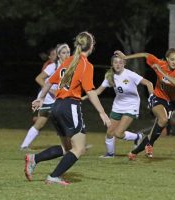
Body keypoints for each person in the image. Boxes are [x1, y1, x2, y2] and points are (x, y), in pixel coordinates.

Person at [25, 31, 111, 185]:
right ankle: (54, 176)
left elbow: (49, 81)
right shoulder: (86, 65)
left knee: (67, 148)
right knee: (79, 149)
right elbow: (90, 91)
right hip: (69, 106)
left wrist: (40, 98)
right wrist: (102, 113)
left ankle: (34, 159)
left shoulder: (69, 61)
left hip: (56, 106)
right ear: (91, 46)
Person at [114, 48, 175, 161]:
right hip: (158, 97)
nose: (174, 62)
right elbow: (145, 54)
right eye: (172, 59)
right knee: (163, 119)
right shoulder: (160, 63)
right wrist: (126, 57)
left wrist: (161, 72)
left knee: (156, 131)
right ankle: (148, 145)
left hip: (171, 102)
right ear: (167, 59)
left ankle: (134, 152)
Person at [82, 55, 154, 158]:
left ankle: (138, 137)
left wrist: (151, 98)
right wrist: (83, 98)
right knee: (110, 133)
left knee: (118, 133)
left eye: (120, 62)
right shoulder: (110, 76)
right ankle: (110, 154)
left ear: (124, 64)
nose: (118, 64)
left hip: (131, 105)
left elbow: (149, 83)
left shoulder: (130, 74)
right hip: (117, 106)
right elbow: (97, 91)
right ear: (112, 64)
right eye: (115, 62)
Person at [20, 44, 71, 150]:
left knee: (66, 122)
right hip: (47, 98)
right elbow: (39, 78)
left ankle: (72, 146)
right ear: (59, 55)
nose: (66, 55)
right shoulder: (53, 66)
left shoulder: (69, 67)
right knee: (41, 123)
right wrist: (50, 90)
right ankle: (24, 146)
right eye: (63, 53)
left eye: (68, 53)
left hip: (59, 99)